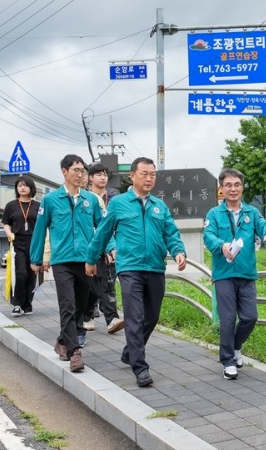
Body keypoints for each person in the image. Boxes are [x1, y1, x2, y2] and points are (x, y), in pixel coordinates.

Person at [86, 157, 187, 388]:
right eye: (144, 174)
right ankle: (140, 368)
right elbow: (102, 233)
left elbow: (171, 233)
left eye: (152, 174)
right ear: (132, 176)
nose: (149, 178)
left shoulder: (159, 206)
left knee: (152, 316)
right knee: (135, 317)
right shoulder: (118, 204)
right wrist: (91, 258)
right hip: (130, 268)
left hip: (155, 267)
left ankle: (129, 351)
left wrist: (179, 251)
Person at [30, 154, 105, 373]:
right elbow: (40, 229)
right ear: (64, 172)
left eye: (83, 171)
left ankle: (62, 341)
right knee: (68, 305)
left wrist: (108, 247)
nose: (81, 174)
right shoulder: (50, 200)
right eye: (76, 170)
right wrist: (37, 259)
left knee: (80, 306)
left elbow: (102, 227)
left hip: (85, 259)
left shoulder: (90, 200)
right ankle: (74, 352)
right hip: (62, 260)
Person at [203, 168, 266, 380]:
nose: (233, 189)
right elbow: (208, 236)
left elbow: (263, 225)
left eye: (237, 185)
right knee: (227, 319)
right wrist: (222, 245)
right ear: (222, 188)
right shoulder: (214, 214)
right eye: (228, 185)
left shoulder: (251, 213)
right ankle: (228, 361)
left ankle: (236, 347)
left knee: (250, 317)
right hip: (224, 274)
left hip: (246, 273)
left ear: (242, 187)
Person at [81, 161, 124, 335]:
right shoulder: (85, 198)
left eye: (105, 174)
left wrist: (112, 246)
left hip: (112, 247)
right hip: (90, 246)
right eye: (99, 174)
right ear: (90, 178)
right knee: (91, 285)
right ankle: (88, 315)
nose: (103, 177)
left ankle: (112, 318)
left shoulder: (115, 197)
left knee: (108, 284)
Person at [1, 176, 39, 315]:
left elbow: (42, 225)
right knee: (20, 273)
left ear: (31, 188)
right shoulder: (11, 205)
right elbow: (5, 224)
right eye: (19, 185)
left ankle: (27, 304)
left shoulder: (38, 205)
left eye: (25, 185)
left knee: (31, 275)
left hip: (34, 243)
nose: (22, 188)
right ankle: (17, 304)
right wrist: (9, 233)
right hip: (17, 243)